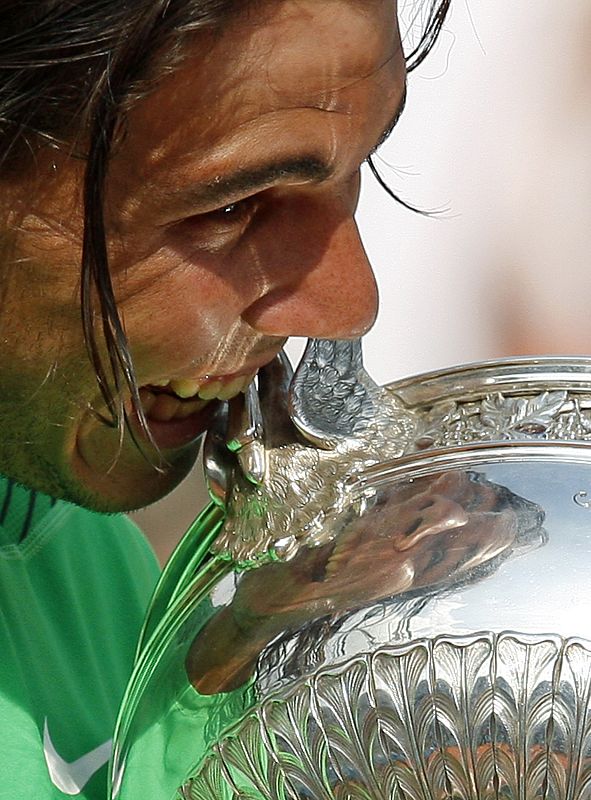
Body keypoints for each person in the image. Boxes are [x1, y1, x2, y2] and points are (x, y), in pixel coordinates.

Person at [0, 1, 450, 797]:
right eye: (230, 207)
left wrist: (227, 676)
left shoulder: (66, 549)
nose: (348, 304)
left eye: (360, 173)